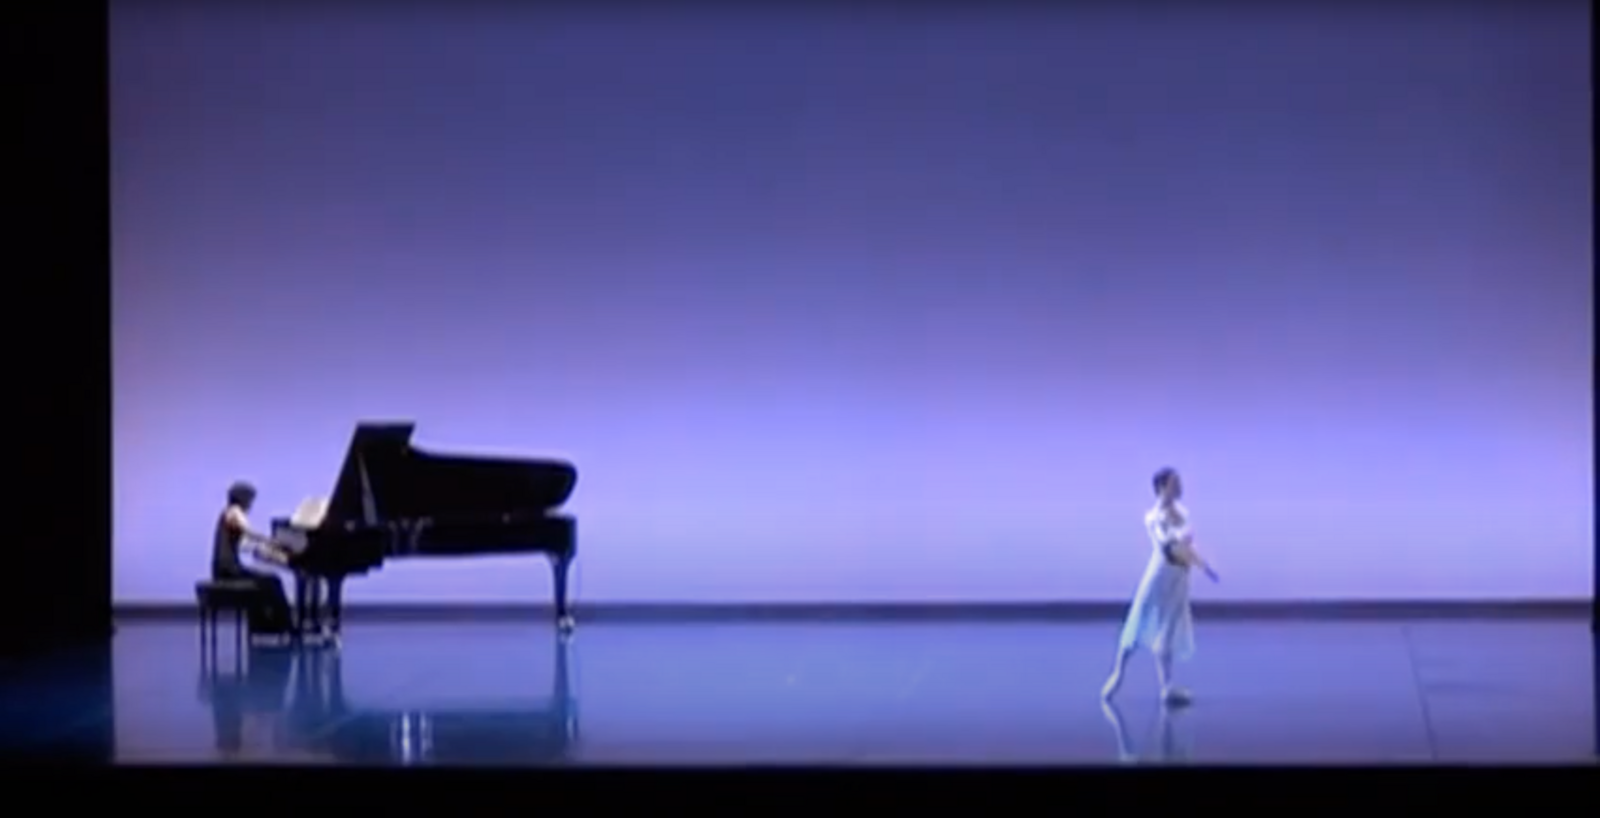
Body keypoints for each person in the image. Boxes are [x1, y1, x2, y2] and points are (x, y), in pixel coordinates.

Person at [1101, 467, 1219, 705]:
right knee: (1139, 618)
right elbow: (1170, 548)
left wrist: (1203, 565)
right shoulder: (1153, 517)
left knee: (1168, 630)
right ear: (1162, 488)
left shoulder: (1183, 513)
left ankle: (1167, 687)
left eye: (1179, 482)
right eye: (1175, 483)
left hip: (1179, 578)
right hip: (1159, 575)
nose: (1180, 486)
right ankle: (1118, 673)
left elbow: (1187, 545)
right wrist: (1197, 562)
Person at [213, 481, 296, 645]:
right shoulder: (234, 512)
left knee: (266, 583)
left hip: (224, 568)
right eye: (250, 500)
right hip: (229, 569)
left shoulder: (226, 514)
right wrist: (273, 542)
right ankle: (285, 628)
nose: (251, 505)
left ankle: (267, 628)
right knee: (272, 582)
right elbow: (249, 533)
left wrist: (264, 550)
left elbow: (244, 544)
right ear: (243, 499)